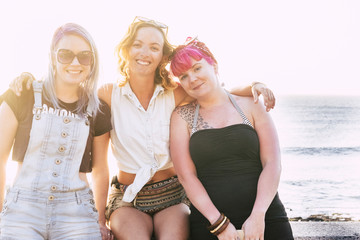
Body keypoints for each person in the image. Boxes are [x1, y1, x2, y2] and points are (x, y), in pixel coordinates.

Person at [7, 17, 275, 240]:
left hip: (172, 194)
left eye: (154, 47)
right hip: (127, 199)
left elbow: (216, 91)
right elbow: (70, 91)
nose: (145, 53)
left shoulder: (176, 94)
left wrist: (253, 85)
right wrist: (28, 80)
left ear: (162, 57)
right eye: (137, 45)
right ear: (126, 50)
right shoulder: (107, 95)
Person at [169, 38, 293, 239]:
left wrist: (258, 215)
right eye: (183, 76)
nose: (192, 79)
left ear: (214, 66)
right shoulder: (181, 116)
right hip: (209, 222)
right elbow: (186, 176)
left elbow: (272, 163)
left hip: (266, 215)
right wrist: (218, 224)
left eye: (197, 68)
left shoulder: (251, 104)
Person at [0, 23, 113, 239]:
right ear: (53, 57)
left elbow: (100, 170)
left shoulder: (97, 109)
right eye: (65, 55)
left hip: (77, 212)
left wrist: (100, 220)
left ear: (93, 61)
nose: (75, 62)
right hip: (22, 211)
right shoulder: (20, 94)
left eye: (84, 56)